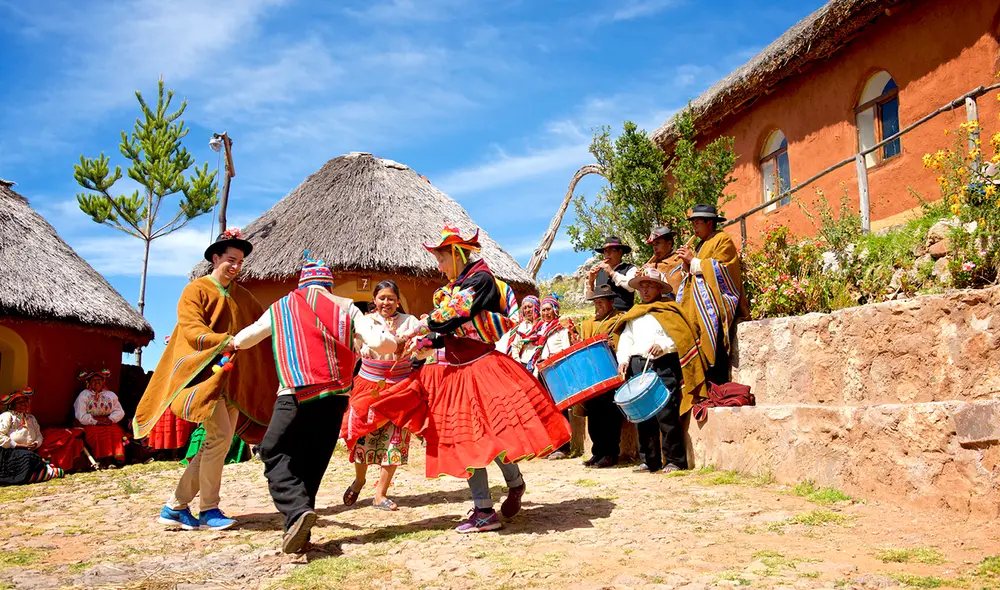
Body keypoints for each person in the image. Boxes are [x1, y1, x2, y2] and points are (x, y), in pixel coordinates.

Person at [367, 224, 571, 534]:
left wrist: (419, 327)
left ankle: (485, 510)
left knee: (471, 438)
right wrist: (422, 342)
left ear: (456, 253)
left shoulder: (480, 280)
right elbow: (449, 331)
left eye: (441, 258)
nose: (439, 265)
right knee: (484, 437)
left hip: (480, 369)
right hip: (460, 369)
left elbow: (456, 314)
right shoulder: (460, 284)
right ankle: (512, 486)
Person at [232, 253, 396, 554]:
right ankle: (298, 531)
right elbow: (382, 344)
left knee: (273, 451)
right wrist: (391, 340)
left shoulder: (282, 306)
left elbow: (247, 338)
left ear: (302, 283)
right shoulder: (346, 307)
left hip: (294, 393)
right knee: (312, 463)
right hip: (335, 398)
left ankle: (296, 512)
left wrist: (229, 344)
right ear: (328, 285)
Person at [134, 228, 278, 532]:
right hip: (203, 378)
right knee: (219, 440)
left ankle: (175, 506)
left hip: (232, 381)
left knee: (217, 443)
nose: (236, 266)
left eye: (240, 261)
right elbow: (191, 329)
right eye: (230, 259)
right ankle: (209, 509)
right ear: (215, 258)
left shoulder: (244, 297)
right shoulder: (196, 290)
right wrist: (222, 341)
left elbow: (262, 324)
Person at [613, 268, 708, 474]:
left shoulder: (670, 310)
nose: (645, 290)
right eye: (642, 286)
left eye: (650, 286)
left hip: (662, 364)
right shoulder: (634, 314)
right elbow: (627, 339)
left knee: (666, 412)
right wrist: (623, 359)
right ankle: (650, 460)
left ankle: (675, 460)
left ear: (659, 288)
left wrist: (663, 346)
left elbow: (681, 337)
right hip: (638, 365)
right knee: (642, 414)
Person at [341, 279, 420, 513]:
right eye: (382, 298)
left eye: (391, 298)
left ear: (398, 301)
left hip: (400, 387)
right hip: (369, 385)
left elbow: (421, 346)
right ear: (374, 300)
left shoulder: (411, 322)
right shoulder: (364, 322)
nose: (386, 302)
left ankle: (380, 494)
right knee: (363, 436)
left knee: (395, 439)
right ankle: (359, 480)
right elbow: (355, 348)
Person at [675, 204, 749, 385]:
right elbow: (694, 271)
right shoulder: (700, 245)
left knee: (715, 345)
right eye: (693, 223)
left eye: (697, 222)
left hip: (716, 304)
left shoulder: (722, 240)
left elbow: (724, 268)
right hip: (697, 304)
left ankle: (720, 388)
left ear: (710, 223)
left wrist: (692, 260)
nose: (694, 227)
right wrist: (686, 264)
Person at [579, 282, 626, 468]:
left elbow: (623, 342)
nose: (597, 307)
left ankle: (610, 454)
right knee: (594, 416)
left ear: (611, 302)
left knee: (609, 416)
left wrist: (614, 345)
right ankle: (597, 452)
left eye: (601, 303)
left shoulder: (619, 319)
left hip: (610, 376)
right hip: (592, 377)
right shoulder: (588, 324)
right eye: (595, 303)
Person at [0, 388, 65, 485]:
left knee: (34, 457)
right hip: (9, 451)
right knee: (29, 457)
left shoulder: (31, 418)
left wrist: (35, 444)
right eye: (19, 402)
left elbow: (39, 435)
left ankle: (40, 473)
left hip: (28, 450)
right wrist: (17, 445)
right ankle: (43, 473)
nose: (23, 404)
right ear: (11, 404)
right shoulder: (7, 416)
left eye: (25, 401)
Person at [74, 369, 128, 468]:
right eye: (93, 380)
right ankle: (102, 459)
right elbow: (80, 414)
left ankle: (114, 459)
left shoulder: (110, 395)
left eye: (99, 379)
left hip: (107, 421)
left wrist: (111, 419)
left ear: (103, 381)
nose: (97, 382)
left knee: (115, 431)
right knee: (96, 433)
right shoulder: (84, 395)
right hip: (89, 422)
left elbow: (119, 411)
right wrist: (95, 421)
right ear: (89, 382)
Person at [587, 236, 637, 312]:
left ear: (620, 252)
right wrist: (591, 281)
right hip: (602, 315)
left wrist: (612, 273)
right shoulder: (599, 272)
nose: (608, 254)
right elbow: (589, 297)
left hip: (623, 314)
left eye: (611, 250)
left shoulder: (630, 268)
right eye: (605, 251)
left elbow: (631, 287)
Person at [644, 226, 684, 298]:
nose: (655, 248)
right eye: (653, 245)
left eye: (658, 243)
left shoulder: (680, 260)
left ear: (669, 243)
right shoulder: (653, 264)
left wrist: (655, 274)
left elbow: (676, 287)